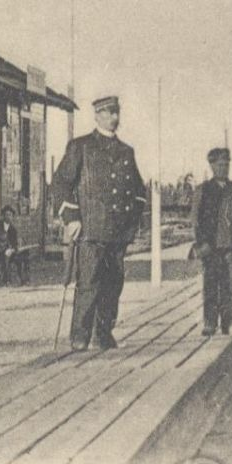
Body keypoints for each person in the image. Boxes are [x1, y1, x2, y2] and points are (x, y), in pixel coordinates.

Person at [52, 94, 148, 351]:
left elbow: (139, 191)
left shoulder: (126, 151)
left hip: (118, 231)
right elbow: (60, 184)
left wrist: (133, 220)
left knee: (113, 283)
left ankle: (103, 332)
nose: (113, 118)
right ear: (97, 116)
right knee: (89, 283)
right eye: (107, 113)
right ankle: (80, 336)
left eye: (116, 112)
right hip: (91, 229)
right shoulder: (81, 146)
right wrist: (71, 218)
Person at [191, 147, 232, 336]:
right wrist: (200, 243)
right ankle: (209, 322)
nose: (223, 168)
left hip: (230, 247)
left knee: (229, 285)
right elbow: (195, 220)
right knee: (210, 284)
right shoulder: (203, 190)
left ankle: (227, 321)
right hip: (210, 247)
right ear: (211, 166)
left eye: (226, 165)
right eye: (219, 165)